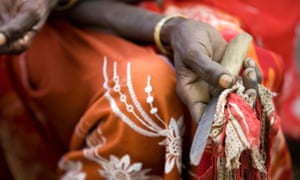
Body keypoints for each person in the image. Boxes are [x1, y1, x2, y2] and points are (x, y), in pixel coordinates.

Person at [0, 0, 293, 179]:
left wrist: (171, 28)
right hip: (51, 23)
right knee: (144, 98)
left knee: (235, 80)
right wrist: (167, 28)